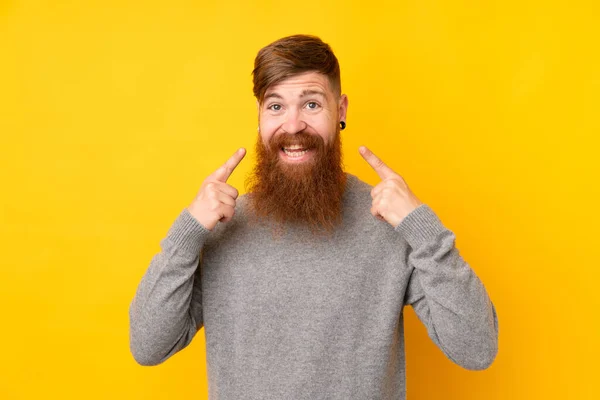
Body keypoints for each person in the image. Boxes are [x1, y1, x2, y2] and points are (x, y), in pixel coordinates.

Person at [129, 34, 499, 399]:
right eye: (275, 107)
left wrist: (422, 228)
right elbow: (148, 345)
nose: (292, 126)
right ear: (258, 118)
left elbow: (477, 349)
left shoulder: (389, 222)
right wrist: (187, 232)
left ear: (340, 111)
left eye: (311, 104)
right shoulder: (221, 226)